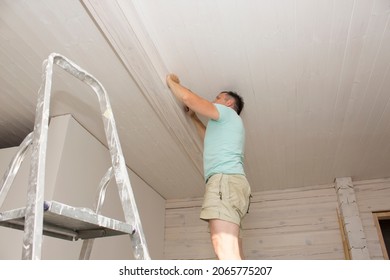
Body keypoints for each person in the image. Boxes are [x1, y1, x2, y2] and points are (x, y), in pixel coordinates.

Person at [166, 74, 251, 260]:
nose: (214, 101)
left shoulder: (228, 113)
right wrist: (195, 118)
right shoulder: (227, 126)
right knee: (234, 253)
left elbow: (190, 98)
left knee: (224, 248)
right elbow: (208, 139)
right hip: (233, 185)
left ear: (229, 104)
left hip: (224, 181)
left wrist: (172, 82)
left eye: (218, 98)